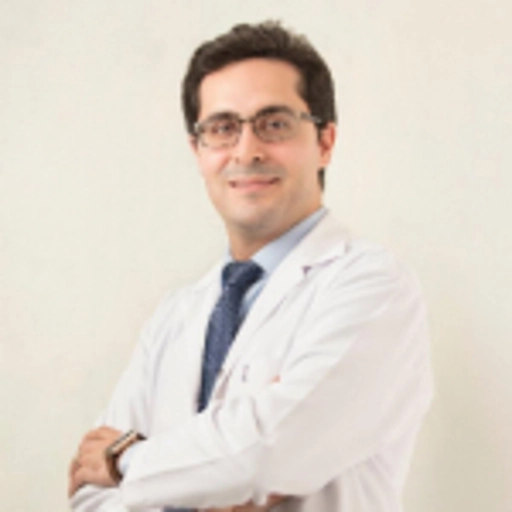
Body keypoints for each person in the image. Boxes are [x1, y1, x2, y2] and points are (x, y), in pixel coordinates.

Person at [68, 21, 433, 512]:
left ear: (325, 142)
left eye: (274, 124)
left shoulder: (374, 288)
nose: (246, 150)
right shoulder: (175, 315)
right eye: (222, 128)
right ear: (198, 151)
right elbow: (89, 495)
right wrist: (220, 468)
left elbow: (266, 456)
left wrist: (128, 460)